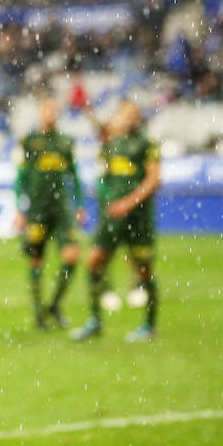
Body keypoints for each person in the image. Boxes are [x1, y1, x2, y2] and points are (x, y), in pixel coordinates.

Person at [71, 101, 161, 342]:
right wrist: (107, 199)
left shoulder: (147, 145)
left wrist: (128, 203)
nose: (128, 118)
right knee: (93, 263)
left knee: (144, 270)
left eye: (133, 114)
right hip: (112, 218)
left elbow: (153, 181)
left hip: (138, 218)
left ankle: (150, 325)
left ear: (138, 117)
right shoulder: (111, 145)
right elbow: (102, 177)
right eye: (124, 114)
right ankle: (95, 321)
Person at [13, 97, 86, 329]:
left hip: (61, 209)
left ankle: (54, 304)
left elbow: (74, 175)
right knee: (36, 260)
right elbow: (20, 177)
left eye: (54, 111)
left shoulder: (66, 142)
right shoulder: (29, 141)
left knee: (72, 255)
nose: (50, 115)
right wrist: (20, 207)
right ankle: (38, 314)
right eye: (47, 110)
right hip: (37, 210)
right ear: (40, 113)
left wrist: (80, 204)